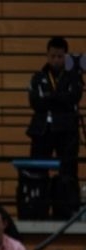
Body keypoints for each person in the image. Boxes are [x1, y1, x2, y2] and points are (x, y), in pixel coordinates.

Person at [28, 37, 82, 213]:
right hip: (42, 129)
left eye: (60, 56)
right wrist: (59, 98)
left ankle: (66, 210)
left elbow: (73, 98)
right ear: (47, 55)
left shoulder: (74, 77)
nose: (56, 60)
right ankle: (37, 209)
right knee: (37, 171)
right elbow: (35, 102)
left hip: (66, 130)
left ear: (65, 56)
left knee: (68, 170)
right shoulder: (38, 77)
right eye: (52, 56)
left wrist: (50, 97)